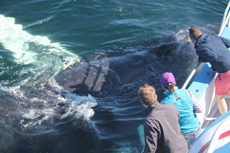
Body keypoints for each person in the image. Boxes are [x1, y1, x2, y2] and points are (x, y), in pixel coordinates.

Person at [189, 26, 230, 115]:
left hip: (226, 71)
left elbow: (212, 56)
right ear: (201, 32)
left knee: (219, 96)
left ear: (191, 39)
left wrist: (202, 58)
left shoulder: (200, 48)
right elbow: (228, 43)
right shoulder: (214, 37)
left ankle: (224, 119)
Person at [138, 84, 188, 153]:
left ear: (141, 102)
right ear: (156, 97)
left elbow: (150, 149)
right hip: (183, 148)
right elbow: (178, 121)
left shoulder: (150, 121)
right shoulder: (171, 106)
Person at [160, 72, 203, 149]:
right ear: (175, 82)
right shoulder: (187, 92)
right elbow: (200, 109)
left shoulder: (163, 103)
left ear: (162, 86)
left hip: (183, 135)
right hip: (196, 128)